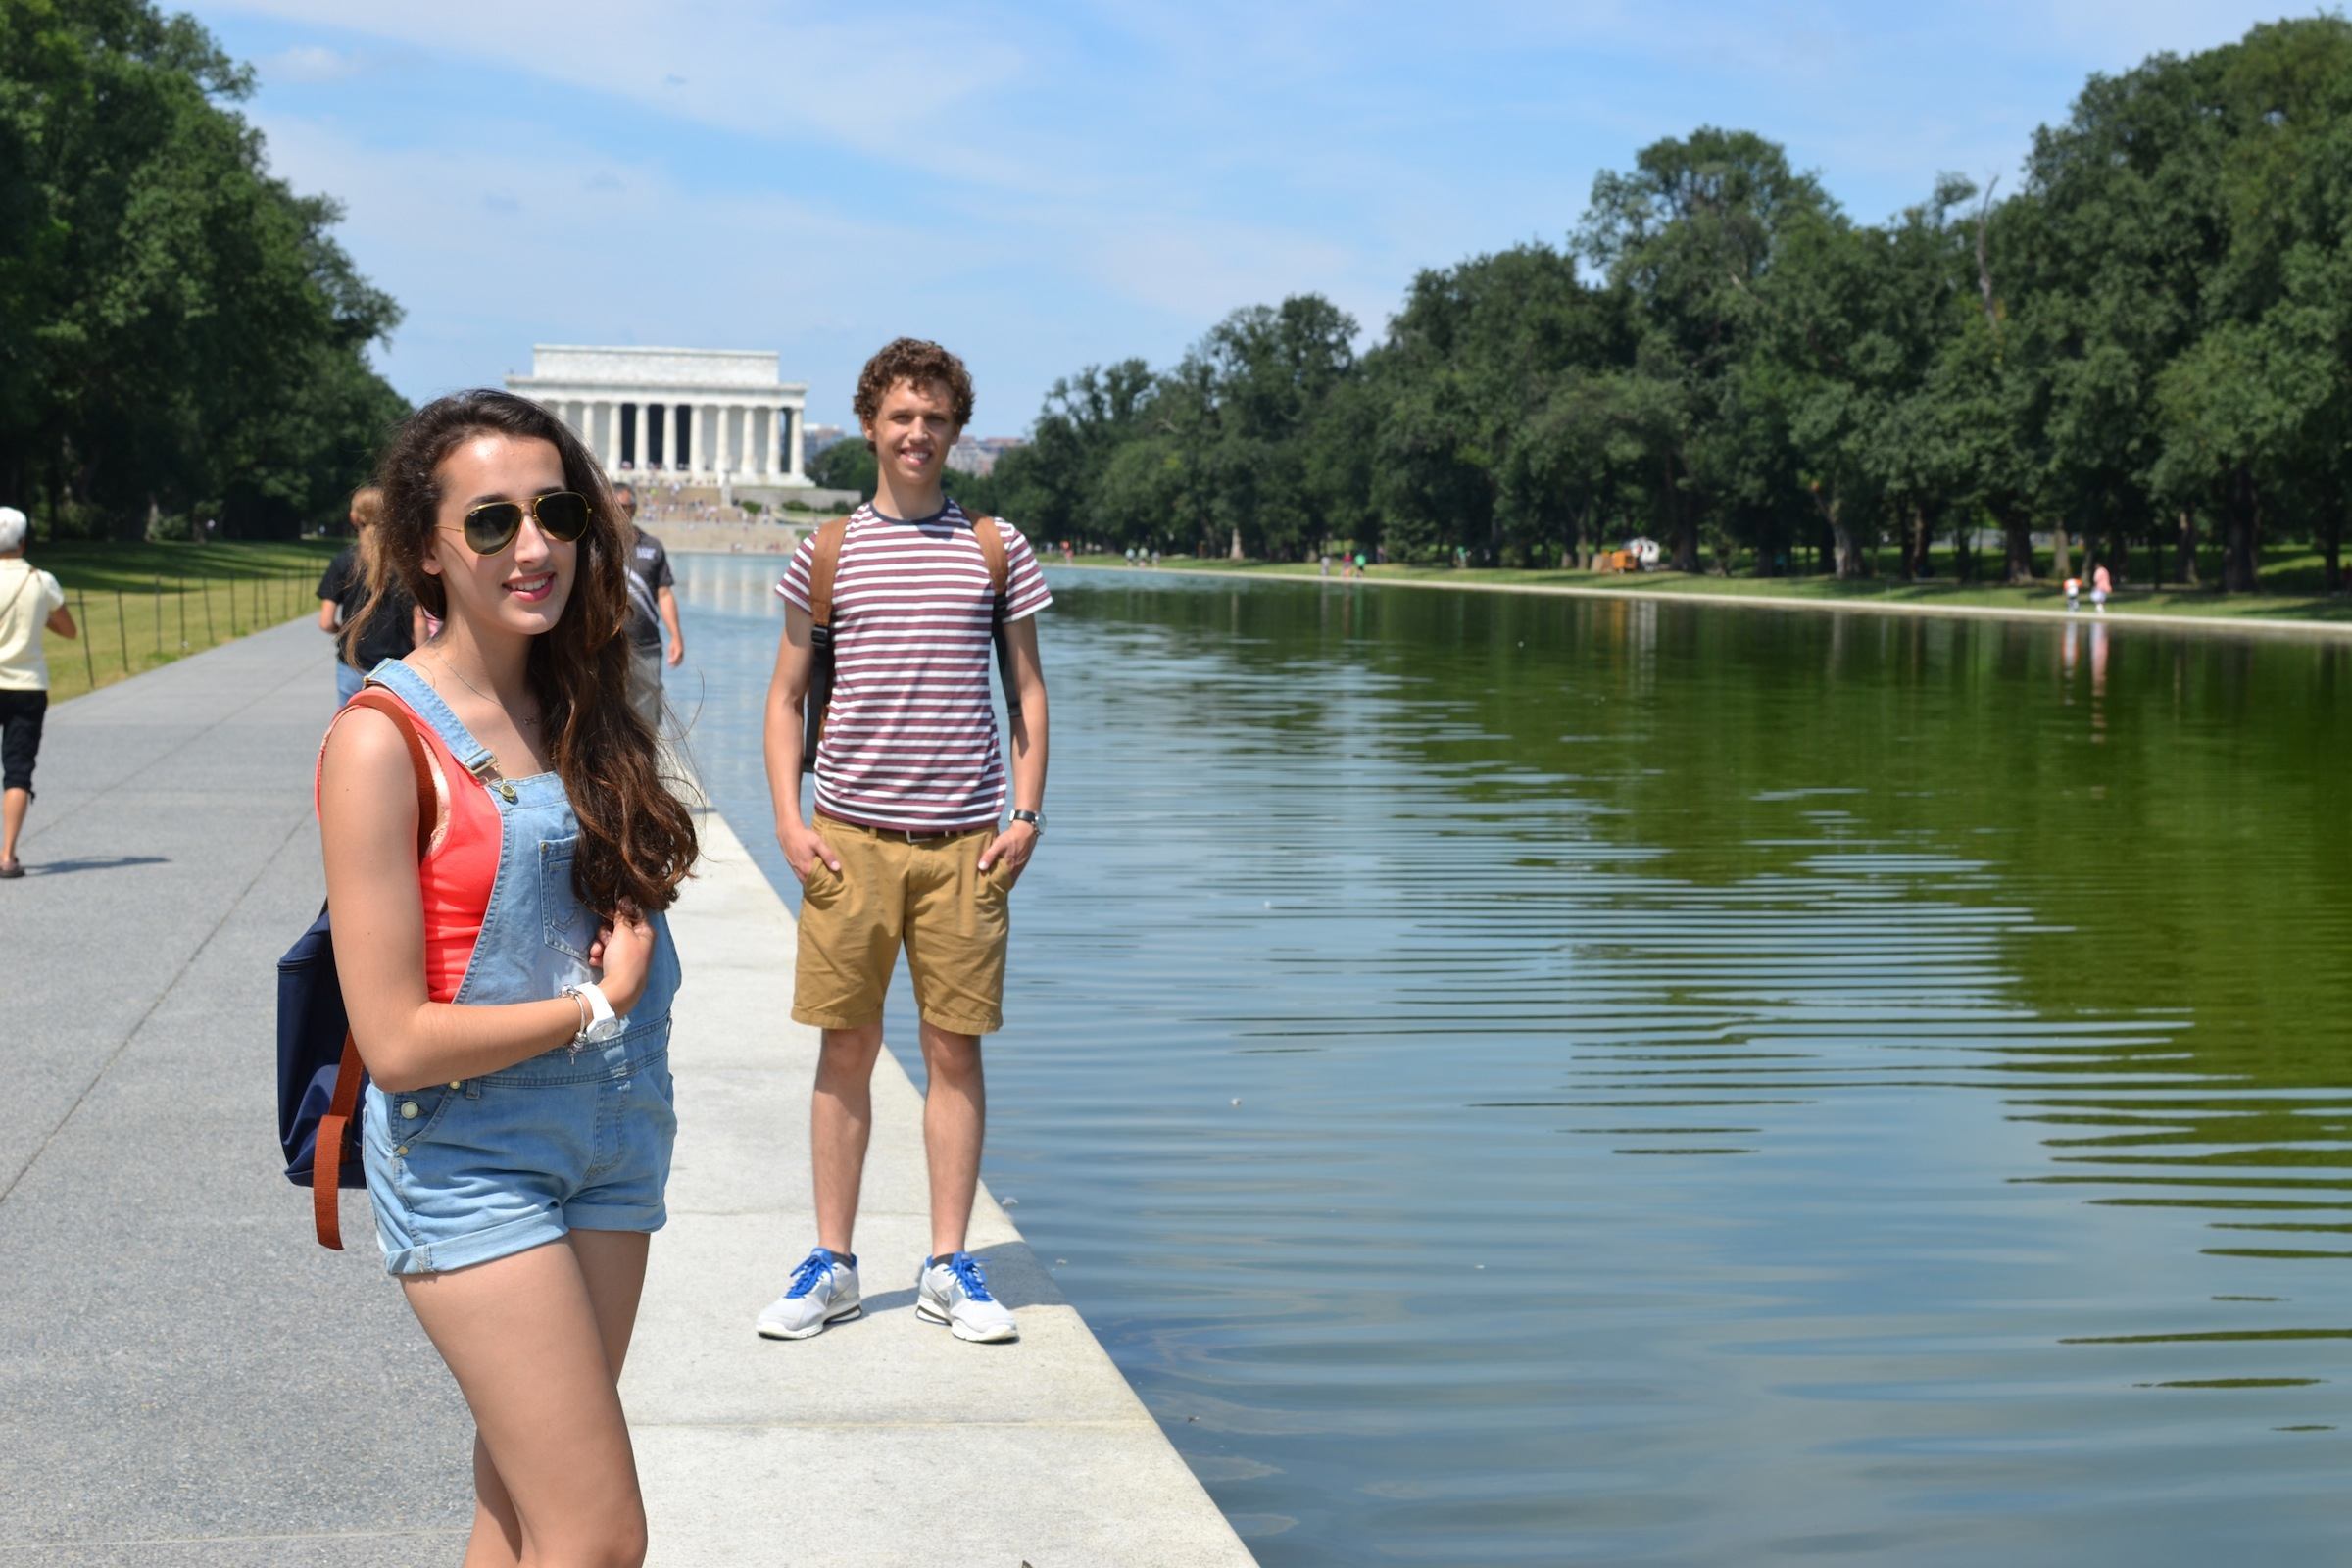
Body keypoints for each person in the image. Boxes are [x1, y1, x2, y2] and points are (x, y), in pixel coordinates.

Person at [316, 390, 697, 1566]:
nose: (534, 547)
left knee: (521, 1505)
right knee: (599, 1534)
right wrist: (593, 1005)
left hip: (617, 1131)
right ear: (427, 547)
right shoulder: (382, 739)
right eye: (492, 522)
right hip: (472, 1153)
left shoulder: (586, 703)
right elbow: (396, 1040)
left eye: (556, 513)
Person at [759, 337, 1050, 1345]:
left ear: (955, 430)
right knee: (845, 1046)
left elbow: (1027, 691)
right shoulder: (827, 551)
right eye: (901, 416)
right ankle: (833, 1264)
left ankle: (948, 1264)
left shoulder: (996, 548)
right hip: (850, 837)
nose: (917, 433)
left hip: (966, 842)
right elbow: (786, 696)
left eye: (934, 418)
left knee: (953, 1050)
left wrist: (1026, 814)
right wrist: (789, 821)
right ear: (870, 425)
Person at [0, 506, 78, 879]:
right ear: (24, 542)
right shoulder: (40, 581)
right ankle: (7, 855)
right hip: (27, 686)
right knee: (17, 770)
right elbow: (69, 630)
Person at [316, 485, 424, 707]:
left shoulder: (343, 561)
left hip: (353, 664)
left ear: (354, 518)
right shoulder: (404, 563)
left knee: (350, 722)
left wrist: (345, 631)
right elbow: (419, 620)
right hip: (397, 667)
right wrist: (423, 660)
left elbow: (326, 622)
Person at [612, 482, 684, 735]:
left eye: (627, 506)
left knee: (646, 717)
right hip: (606, 646)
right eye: (617, 507)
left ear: (634, 508)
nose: (622, 512)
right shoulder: (596, 545)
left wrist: (676, 636)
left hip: (646, 646)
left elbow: (664, 594)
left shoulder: (652, 547)